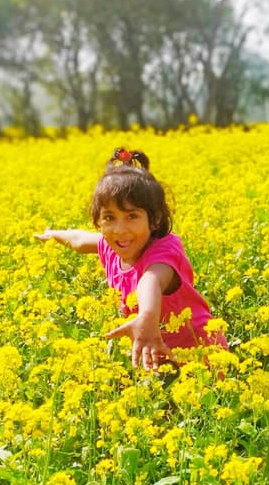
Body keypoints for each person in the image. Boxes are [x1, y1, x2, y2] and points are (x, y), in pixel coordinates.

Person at [34, 147, 228, 372]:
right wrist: (53, 235)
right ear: (98, 221)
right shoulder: (109, 246)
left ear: (154, 219)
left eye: (132, 216)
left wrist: (146, 317)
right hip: (153, 354)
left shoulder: (164, 251)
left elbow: (151, 280)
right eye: (109, 217)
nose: (119, 229)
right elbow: (79, 239)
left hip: (203, 357)